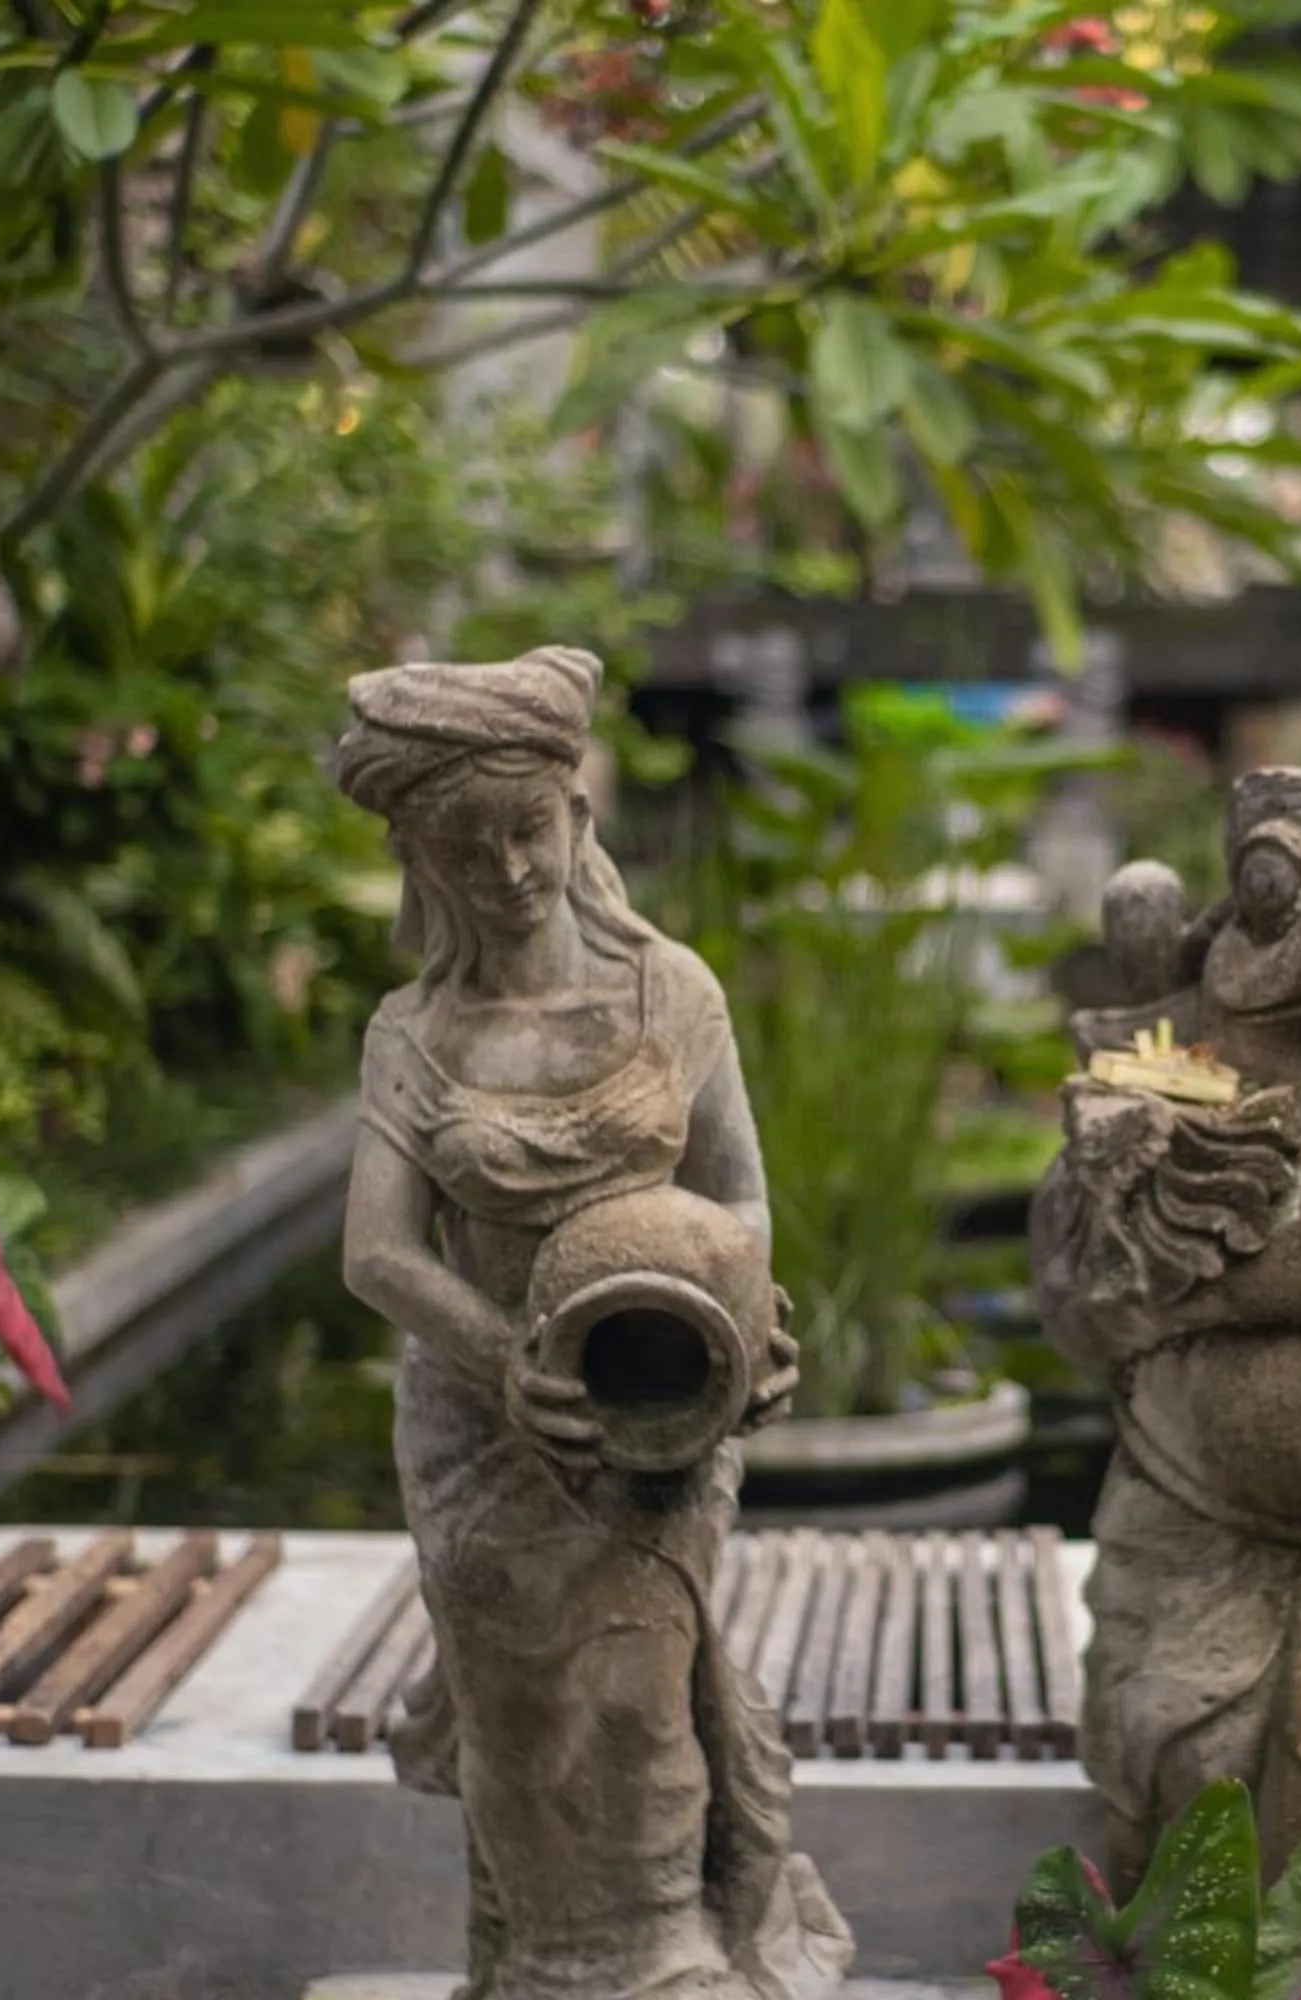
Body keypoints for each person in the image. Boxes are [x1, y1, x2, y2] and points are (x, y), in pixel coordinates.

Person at [333, 647, 850, 2000]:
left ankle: (670, 1949)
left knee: (638, 1692)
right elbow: (378, 1254)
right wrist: (501, 1359)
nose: (508, 869)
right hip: (485, 1411)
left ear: (579, 816)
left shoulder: (668, 993)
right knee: (515, 1717)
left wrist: (750, 1320)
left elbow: (736, 1191)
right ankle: (544, 1965)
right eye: (467, 845)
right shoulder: (414, 1032)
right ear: (422, 860)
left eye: (529, 828)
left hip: (651, 1404)